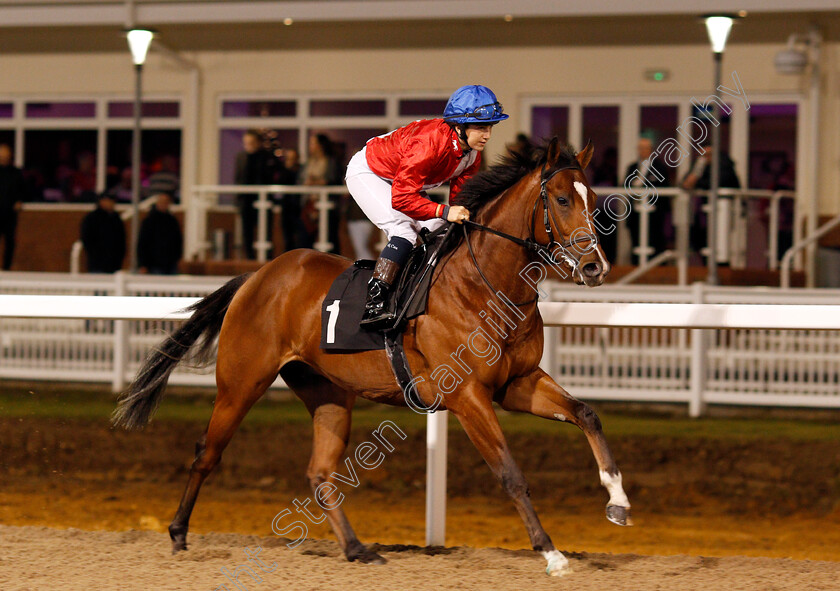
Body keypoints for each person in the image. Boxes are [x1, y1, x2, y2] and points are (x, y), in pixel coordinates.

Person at [345, 84, 508, 329]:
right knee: (404, 231)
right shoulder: (429, 143)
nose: (487, 135)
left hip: (401, 180)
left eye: (490, 127)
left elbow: (459, 200)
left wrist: (455, 215)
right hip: (370, 173)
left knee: (442, 229)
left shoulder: (472, 153)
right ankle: (374, 303)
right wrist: (443, 210)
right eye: (481, 127)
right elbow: (400, 198)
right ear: (459, 127)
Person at [681, 143, 742, 262]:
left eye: (708, 155)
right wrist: (695, 174)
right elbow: (685, 182)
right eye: (702, 156)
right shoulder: (700, 165)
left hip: (722, 212)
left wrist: (696, 183)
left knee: (721, 243)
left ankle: (721, 269)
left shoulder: (724, 165)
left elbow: (717, 182)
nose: (706, 158)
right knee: (700, 240)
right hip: (703, 214)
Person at [625, 136, 670, 262]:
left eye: (645, 148)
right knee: (636, 240)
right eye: (640, 148)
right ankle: (635, 266)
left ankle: (657, 268)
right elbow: (625, 185)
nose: (642, 151)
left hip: (654, 214)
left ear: (651, 150)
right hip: (635, 212)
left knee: (654, 241)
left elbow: (662, 187)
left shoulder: (660, 167)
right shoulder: (632, 167)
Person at [234, 130, 277, 259]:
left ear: (258, 143)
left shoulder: (266, 157)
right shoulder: (240, 157)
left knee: (265, 229)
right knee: (247, 230)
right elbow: (238, 178)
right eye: (246, 143)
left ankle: (267, 257)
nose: (249, 145)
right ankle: (249, 256)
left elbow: (269, 177)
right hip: (246, 199)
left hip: (263, 199)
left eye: (251, 142)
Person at [301, 134, 342, 253]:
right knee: (306, 237)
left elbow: (334, 180)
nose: (311, 146)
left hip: (326, 205)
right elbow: (301, 179)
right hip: (310, 204)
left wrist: (319, 182)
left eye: (313, 143)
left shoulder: (331, 162)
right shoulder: (309, 162)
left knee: (330, 236)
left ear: (321, 145)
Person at [138, 192, 183, 274]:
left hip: (171, 263)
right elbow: (142, 243)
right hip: (154, 263)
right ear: (157, 203)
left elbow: (178, 241)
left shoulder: (172, 221)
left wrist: (178, 258)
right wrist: (143, 264)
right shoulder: (149, 221)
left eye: (166, 202)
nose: (164, 204)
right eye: (162, 202)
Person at [80, 193, 126, 273]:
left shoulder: (116, 219)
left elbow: (121, 241)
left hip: (114, 265)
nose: (111, 203)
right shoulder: (92, 218)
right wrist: (95, 255)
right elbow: (87, 238)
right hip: (97, 264)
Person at [276, 148, 311, 251]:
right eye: (289, 158)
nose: (291, 161)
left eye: (293, 158)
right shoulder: (282, 171)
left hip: (300, 208)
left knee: (301, 237)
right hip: (286, 207)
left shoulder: (302, 171)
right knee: (287, 235)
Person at [0, 144, 25, 271]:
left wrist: (19, 201)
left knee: (10, 241)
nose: (3, 157)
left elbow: (23, 190)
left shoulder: (15, 173)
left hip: (9, 213)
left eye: (5, 155)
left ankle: (7, 268)